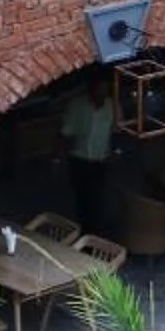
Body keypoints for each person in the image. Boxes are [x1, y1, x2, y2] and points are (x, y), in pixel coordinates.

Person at [60, 78, 114, 231]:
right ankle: (85, 229)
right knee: (82, 197)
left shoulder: (112, 106)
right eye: (99, 90)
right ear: (91, 91)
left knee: (97, 197)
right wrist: (59, 158)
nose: (102, 95)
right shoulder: (77, 105)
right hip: (79, 159)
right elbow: (66, 132)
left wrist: (116, 152)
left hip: (100, 160)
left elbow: (117, 131)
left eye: (105, 91)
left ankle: (94, 232)